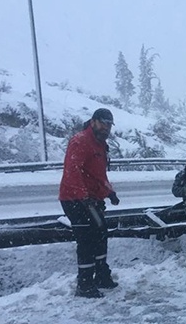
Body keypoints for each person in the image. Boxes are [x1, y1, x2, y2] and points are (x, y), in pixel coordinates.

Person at [59, 108, 120, 298]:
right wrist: (83, 196)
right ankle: (84, 284)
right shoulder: (80, 141)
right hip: (75, 199)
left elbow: (99, 174)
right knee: (86, 240)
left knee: (100, 234)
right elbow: (72, 171)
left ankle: (101, 275)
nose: (106, 127)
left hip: (92, 199)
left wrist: (109, 192)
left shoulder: (100, 144)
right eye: (103, 123)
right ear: (93, 122)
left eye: (109, 124)